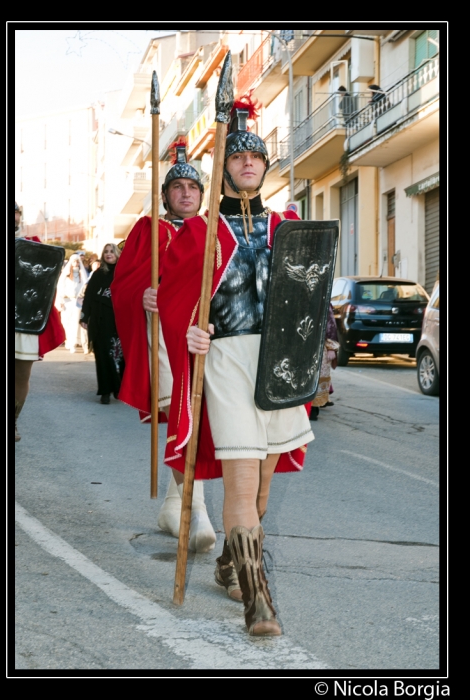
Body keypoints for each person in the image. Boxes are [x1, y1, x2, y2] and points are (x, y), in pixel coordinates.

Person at [157, 96, 315, 637]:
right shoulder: (201, 234)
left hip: (279, 365)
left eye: (257, 158)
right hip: (226, 361)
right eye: (238, 157)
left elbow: (308, 295)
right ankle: (258, 602)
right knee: (243, 484)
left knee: (265, 488)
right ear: (224, 166)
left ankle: (230, 561)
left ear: (265, 167)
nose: (248, 163)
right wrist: (190, 329)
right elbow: (179, 302)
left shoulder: (287, 227)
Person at [110, 141, 217, 555]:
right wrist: (144, 294)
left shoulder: (213, 232)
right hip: (162, 339)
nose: (186, 192)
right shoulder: (148, 230)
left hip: (202, 337)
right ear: (167, 195)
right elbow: (121, 285)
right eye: (178, 187)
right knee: (180, 414)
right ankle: (196, 510)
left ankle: (175, 505)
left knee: (201, 419)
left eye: (193, 186)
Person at [14, 201, 66, 441]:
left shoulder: (34, 246)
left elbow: (47, 286)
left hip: (24, 323)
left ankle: (11, 421)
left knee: (20, 376)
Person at [80, 244, 124, 404]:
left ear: (118, 254)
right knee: (103, 354)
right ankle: (105, 390)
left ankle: (119, 388)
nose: (109, 254)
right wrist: (84, 317)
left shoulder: (125, 273)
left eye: (112, 251)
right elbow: (89, 296)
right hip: (100, 320)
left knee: (118, 356)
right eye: (106, 251)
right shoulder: (98, 274)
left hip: (120, 321)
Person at [309, 303, 339, 420]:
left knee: (317, 376)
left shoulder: (323, 300)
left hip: (318, 346)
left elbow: (330, 324)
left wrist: (331, 347)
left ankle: (313, 410)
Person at [56, 254, 89, 353]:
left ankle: (73, 343)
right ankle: (68, 341)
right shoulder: (65, 275)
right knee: (66, 322)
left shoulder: (81, 275)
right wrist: (60, 301)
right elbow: (60, 288)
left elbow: (85, 287)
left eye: (78, 261)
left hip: (77, 302)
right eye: (74, 261)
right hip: (67, 302)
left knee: (75, 323)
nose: (76, 263)